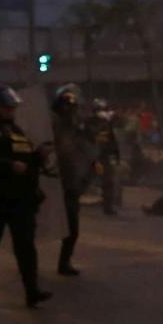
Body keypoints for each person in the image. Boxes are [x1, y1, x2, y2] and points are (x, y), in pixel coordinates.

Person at [0, 85, 50, 307]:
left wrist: (39, 156)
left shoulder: (17, 131)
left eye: (12, 107)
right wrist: (7, 166)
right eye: (6, 107)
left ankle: (32, 291)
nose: (11, 111)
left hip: (20, 199)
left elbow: (27, 161)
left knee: (25, 245)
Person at [51, 86, 92, 277]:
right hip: (50, 182)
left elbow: (83, 151)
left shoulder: (76, 128)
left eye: (73, 108)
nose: (71, 111)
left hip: (69, 184)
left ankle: (64, 261)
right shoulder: (51, 126)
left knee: (72, 228)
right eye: (67, 107)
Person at [89, 98, 123, 215]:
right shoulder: (89, 124)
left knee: (108, 182)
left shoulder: (107, 125)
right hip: (90, 157)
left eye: (104, 109)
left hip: (103, 158)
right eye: (100, 110)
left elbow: (112, 141)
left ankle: (108, 207)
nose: (103, 112)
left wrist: (116, 155)